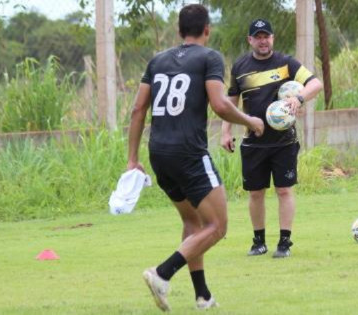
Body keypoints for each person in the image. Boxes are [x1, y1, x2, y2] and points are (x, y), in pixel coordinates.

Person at [127, 4, 264, 312]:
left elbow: (138, 110)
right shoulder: (209, 57)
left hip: (159, 152)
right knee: (217, 226)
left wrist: (132, 158)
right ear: (207, 30)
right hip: (188, 153)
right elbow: (220, 104)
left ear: (179, 31)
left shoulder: (157, 60)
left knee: (194, 222)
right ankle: (161, 274)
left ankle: (202, 296)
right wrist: (250, 121)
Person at [221, 19, 323, 258]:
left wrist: (299, 99)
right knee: (256, 193)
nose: (263, 40)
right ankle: (259, 242)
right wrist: (226, 131)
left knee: (284, 190)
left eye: (266, 36)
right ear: (250, 40)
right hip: (253, 140)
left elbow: (315, 84)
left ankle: (285, 243)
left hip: (283, 141)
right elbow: (231, 102)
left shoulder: (287, 64)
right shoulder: (240, 67)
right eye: (257, 36)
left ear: (273, 38)